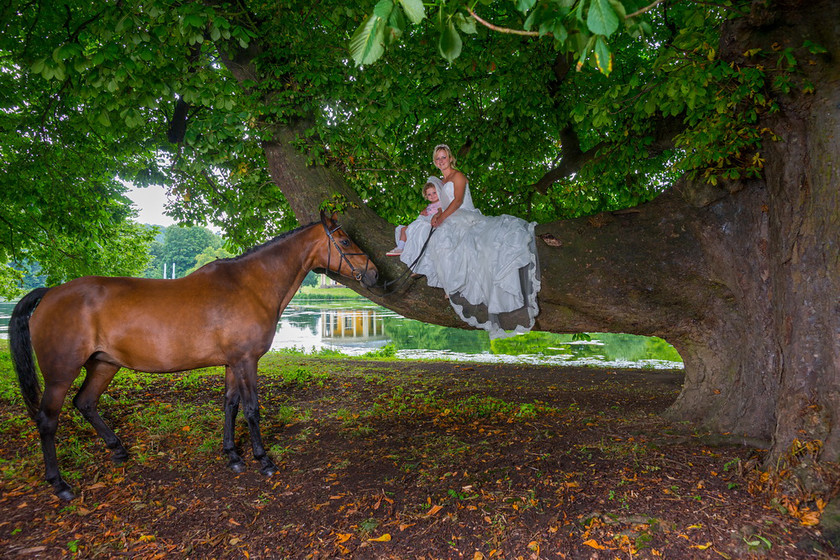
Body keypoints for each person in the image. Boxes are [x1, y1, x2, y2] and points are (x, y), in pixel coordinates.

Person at [399, 144, 541, 338]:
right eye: (437, 159)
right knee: (424, 227)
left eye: (444, 157)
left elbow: (457, 202)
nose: (441, 161)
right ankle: (425, 267)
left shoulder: (458, 176)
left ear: (450, 158)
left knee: (446, 237)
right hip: (449, 215)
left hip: (462, 215)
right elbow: (441, 203)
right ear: (435, 162)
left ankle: (451, 284)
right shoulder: (440, 181)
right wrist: (433, 212)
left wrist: (442, 217)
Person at [387, 181, 442, 256]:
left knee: (407, 230)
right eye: (429, 194)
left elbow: (440, 211)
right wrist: (423, 212)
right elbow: (426, 212)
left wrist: (436, 215)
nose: (432, 196)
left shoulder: (440, 203)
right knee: (403, 229)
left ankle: (400, 248)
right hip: (422, 221)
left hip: (428, 222)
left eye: (434, 193)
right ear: (426, 196)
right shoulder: (429, 205)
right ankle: (400, 248)